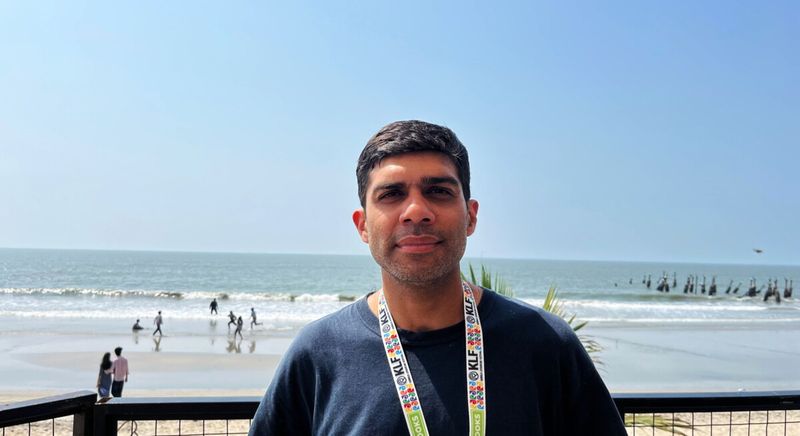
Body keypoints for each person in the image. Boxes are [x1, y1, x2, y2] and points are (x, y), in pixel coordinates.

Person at [249, 120, 626, 435]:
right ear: (362, 225)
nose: (416, 210)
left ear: (470, 216)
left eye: (439, 191)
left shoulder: (544, 343)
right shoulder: (318, 352)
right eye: (391, 194)